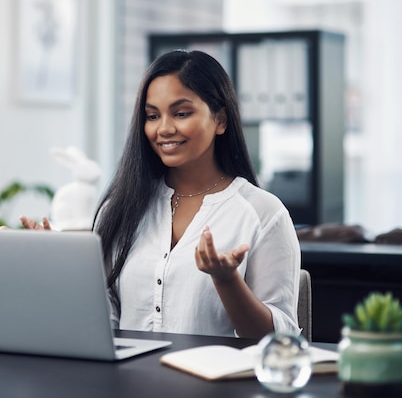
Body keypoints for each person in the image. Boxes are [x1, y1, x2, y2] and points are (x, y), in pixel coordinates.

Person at [21, 50, 300, 339]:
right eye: (152, 116)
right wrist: (52, 266)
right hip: (125, 381)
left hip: (216, 383)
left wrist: (226, 280)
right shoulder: (120, 207)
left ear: (220, 120)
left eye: (181, 113)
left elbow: (282, 340)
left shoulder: (264, 213)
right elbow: (103, 320)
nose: (164, 129)